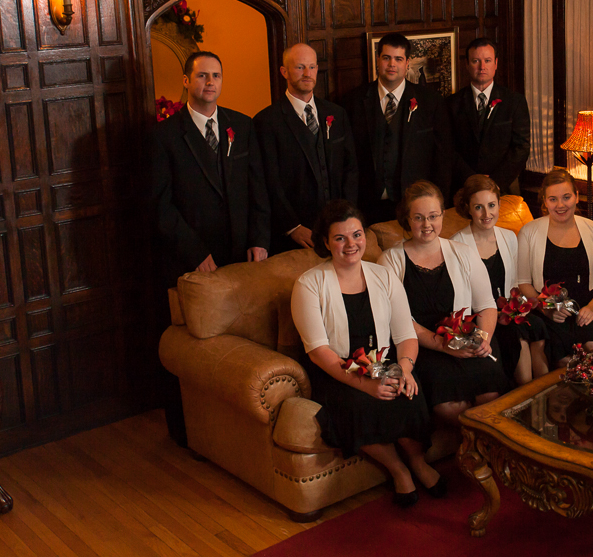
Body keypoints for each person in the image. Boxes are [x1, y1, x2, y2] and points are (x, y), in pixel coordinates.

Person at [150, 50, 271, 444]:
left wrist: (259, 240)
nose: (210, 83)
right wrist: (195, 252)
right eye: (202, 76)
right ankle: (191, 434)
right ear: (187, 81)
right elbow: (160, 207)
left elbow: (258, 189)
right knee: (197, 347)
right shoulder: (165, 136)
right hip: (192, 260)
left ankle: (236, 435)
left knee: (240, 345)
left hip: (241, 256)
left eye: (216, 75)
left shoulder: (242, 126)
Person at [290, 200, 441, 508]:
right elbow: (319, 352)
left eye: (357, 235)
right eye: (340, 238)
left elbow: (405, 334)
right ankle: (398, 469)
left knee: (408, 393)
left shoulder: (383, 276)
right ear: (326, 243)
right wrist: (366, 385)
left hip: (381, 364)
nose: (351, 244)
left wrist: (405, 369)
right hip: (336, 371)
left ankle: (417, 461)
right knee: (359, 405)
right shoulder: (308, 284)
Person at [378, 181, 510, 426]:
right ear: (407, 219)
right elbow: (398, 321)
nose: (427, 224)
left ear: (442, 216)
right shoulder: (390, 261)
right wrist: (442, 345)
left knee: (491, 397)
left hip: (467, 339)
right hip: (424, 346)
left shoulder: (464, 252)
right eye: (418, 218)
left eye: (433, 216)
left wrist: (483, 338)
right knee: (451, 408)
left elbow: (486, 305)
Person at [254, 43, 358, 254]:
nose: (307, 73)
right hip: (295, 237)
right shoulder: (266, 121)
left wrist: (347, 216)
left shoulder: (336, 114)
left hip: (339, 228)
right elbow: (268, 182)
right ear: (284, 71)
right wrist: (292, 227)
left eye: (311, 67)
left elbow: (351, 169)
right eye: (300, 67)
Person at [344, 33, 453, 223]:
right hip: (367, 206)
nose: (392, 64)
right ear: (378, 60)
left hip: (415, 205)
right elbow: (346, 159)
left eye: (398, 59)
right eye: (386, 58)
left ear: (407, 63)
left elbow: (443, 156)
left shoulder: (431, 102)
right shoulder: (353, 101)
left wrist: (438, 202)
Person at [451, 174, 547, 385]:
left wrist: (520, 306)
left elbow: (516, 283)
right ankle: (525, 393)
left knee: (537, 325)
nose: (487, 214)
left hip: (509, 312)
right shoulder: (456, 245)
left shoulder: (509, 237)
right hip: (481, 319)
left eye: (491, 205)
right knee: (517, 335)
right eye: (479, 207)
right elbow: (460, 297)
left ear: (499, 205)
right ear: (467, 208)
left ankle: (543, 395)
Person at [517, 168, 593, 368]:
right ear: (545, 201)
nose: (560, 205)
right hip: (550, 314)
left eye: (566, 197)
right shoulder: (528, 232)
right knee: (567, 363)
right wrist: (546, 309)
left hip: (587, 309)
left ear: (577, 196)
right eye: (553, 199)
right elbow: (523, 282)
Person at [447, 37, 530, 196]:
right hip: (464, 187)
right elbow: (448, 149)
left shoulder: (514, 101)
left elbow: (521, 148)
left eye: (487, 60)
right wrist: (472, 179)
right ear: (467, 64)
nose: (482, 67)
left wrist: (495, 182)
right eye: (476, 61)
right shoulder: (452, 104)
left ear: (496, 63)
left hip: (504, 186)